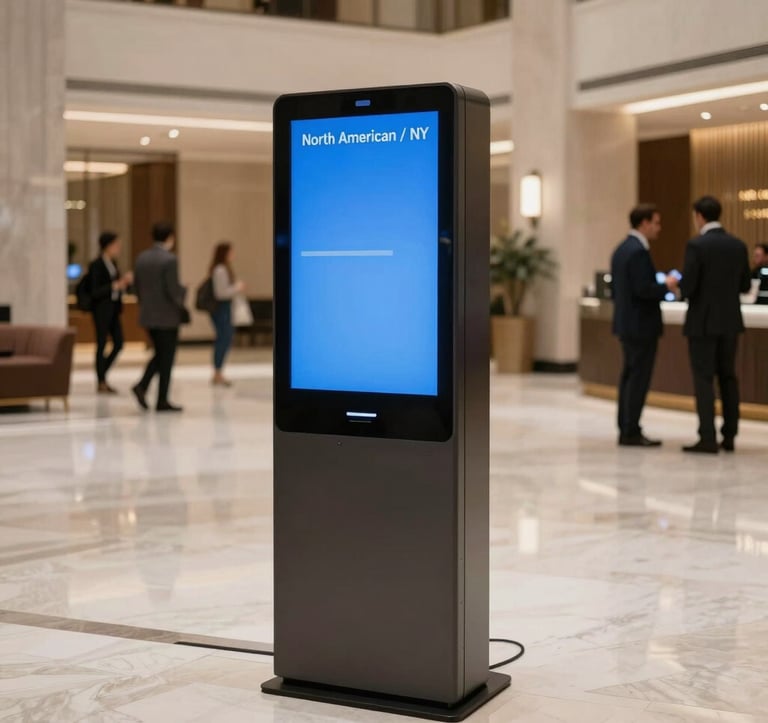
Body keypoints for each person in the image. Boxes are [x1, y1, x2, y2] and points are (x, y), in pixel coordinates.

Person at [679, 196, 752, 454]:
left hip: (702, 323)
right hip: (730, 322)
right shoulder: (738, 245)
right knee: (728, 377)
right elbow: (745, 285)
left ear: (699, 216)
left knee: (704, 379)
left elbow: (688, 287)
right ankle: (729, 435)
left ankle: (707, 437)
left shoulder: (696, 245)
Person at [610, 204, 678, 447]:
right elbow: (643, 289)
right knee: (638, 379)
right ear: (644, 223)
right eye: (656, 223)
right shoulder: (638, 251)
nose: (659, 228)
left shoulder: (621, 249)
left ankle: (626, 427)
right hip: (641, 325)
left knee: (629, 377)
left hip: (627, 323)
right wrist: (666, 286)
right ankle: (631, 430)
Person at [132, 222, 188, 413]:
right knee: (166, 357)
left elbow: (137, 288)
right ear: (170, 237)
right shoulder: (170, 260)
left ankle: (144, 388)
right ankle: (159, 397)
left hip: (148, 315)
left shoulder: (142, 258)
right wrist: (183, 292)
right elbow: (173, 290)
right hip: (167, 317)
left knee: (161, 354)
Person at [89, 231, 132, 393]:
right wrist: (114, 286)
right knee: (101, 343)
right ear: (108, 246)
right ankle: (101, 380)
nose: (119, 248)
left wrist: (123, 284)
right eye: (116, 244)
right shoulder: (97, 265)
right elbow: (95, 290)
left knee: (119, 343)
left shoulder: (113, 263)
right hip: (101, 309)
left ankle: (102, 373)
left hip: (114, 308)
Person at [208, 241, 245, 387]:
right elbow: (221, 293)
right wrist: (237, 287)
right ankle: (217, 372)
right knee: (223, 339)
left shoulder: (222, 269)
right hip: (221, 309)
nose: (233, 254)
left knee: (224, 339)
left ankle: (218, 372)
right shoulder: (220, 270)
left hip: (224, 308)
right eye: (231, 252)